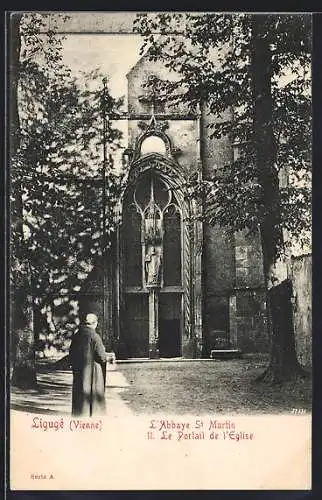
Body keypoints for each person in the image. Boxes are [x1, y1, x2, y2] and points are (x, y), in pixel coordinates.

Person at [69, 313, 108, 416]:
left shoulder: (77, 336)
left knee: (79, 391)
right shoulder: (95, 336)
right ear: (95, 324)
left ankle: (79, 414)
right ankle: (94, 415)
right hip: (93, 372)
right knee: (93, 392)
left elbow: (71, 354)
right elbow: (102, 356)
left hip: (79, 371)